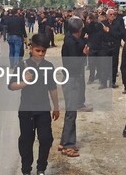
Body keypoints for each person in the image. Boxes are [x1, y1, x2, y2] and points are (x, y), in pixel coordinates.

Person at [8, 34, 60, 175]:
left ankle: (41, 168)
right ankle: (26, 170)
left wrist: (56, 107)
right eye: (38, 50)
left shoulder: (48, 66)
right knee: (26, 141)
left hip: (43, 109)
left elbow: (52, 88)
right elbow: (11, 85)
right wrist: (24, 82)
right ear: (31, 49)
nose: (41, 54)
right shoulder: (22, 65)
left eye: (43, 51)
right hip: (26, 110)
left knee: (46, 139)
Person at [59, 16, 90, 158]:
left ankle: (65, 140)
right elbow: (72, 64)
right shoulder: (71, 43)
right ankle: (68, 145)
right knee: (71, 112)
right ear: (79, 28)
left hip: (72, 78)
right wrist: (84, 55)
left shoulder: (73, 40)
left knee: (71, 112)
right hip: (71, 78)